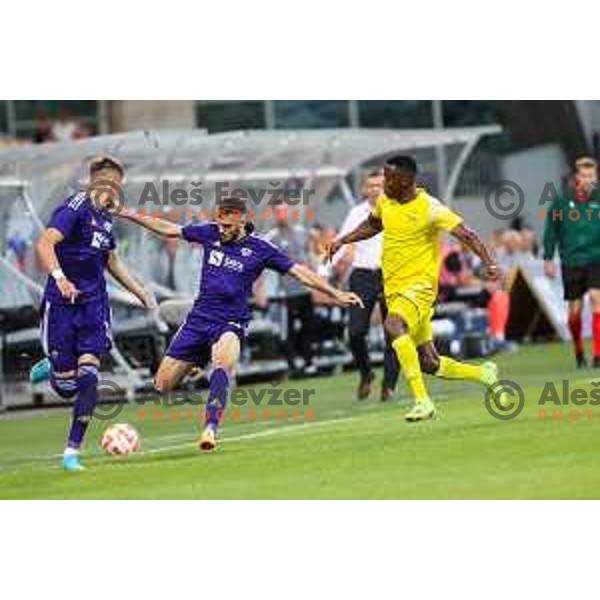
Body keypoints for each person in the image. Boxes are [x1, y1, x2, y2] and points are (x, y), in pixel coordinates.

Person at [116, 196, 363, 451]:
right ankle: (199, 359)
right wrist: (128, 213)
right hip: (198, 319)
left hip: (231, 321)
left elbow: (300, 272)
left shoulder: (261, 249)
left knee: (223, 365)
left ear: (242, 221)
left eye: (227, 226)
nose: (221, 229)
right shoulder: (209, 232)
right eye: (219, 223)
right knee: (161, 385)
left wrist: (336, 294)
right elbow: (169, 228)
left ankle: (210, 429)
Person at [328, 155, 503, 422]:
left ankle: (423, 401)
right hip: (394, 288)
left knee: (393, 326)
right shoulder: (387, 200)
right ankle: (483, 374)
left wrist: (490, 263)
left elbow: (467, 234)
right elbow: (374, 224)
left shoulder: (431, 208)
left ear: (406, 180)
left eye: (389, 178)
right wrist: (343, 240)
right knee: (429, 362)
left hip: (420, 288)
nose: (383, 183)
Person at [29, 156, 154, 471]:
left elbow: (112, 262)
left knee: (89, 378)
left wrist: (139, 291)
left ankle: (72, 451)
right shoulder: (75, 207)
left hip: (94, 306)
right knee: (67, 386)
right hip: (62, 303)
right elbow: (45, 244)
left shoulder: (107, 218)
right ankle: (53, 365)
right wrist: (61, 278)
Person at [335, 170, 399, 401]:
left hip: (392, 275)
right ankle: (366, 373)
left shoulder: (397, 207)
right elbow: (343, 240)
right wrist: (326, 269)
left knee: (393, 332)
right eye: (371, 185)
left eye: (379, 185)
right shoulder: (356, 213)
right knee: (355, 332)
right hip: (362, 276)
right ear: (364, 189)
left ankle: (389, 384)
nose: (375, 189)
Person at [544, 156, 600, 368]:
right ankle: (578, 349)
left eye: (592, 176)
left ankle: (597, 354)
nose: (588, 180)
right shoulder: (560, 201)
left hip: (596, 258)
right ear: (577, 177)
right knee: (574, 310)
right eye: (584, 176)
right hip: (572, 260)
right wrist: (548, 259)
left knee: (597, 298)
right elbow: (551, 232)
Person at [265, 203, 318, 376]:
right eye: (278, 211)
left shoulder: (302, 233)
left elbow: (309, 259)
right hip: (284, 293)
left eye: (284, 211)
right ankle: (293, 366)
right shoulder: (271, 238)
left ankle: (309, 363)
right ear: (274, 214)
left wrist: (316, 284)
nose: (282, 215)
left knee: (308, 327)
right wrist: (262, 291)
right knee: (287, 331)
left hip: (305, 289)